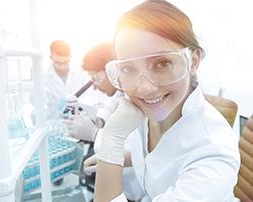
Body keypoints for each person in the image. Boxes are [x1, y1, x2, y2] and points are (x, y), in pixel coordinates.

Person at [94, 1, 240, 201]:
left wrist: (112, 140)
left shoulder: (213, 153)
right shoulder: (149, 112)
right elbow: (161, 158)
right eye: (128, 68)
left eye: (162, 63)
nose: (145, 88)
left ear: (193, 61)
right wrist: (122, 158)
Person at [64, 42, 145, 201]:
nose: (94, 86)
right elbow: (111, 106)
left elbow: (138, 148)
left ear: (112, 70)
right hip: (125, 189)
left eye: (96, 78)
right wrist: (100, 120)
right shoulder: (121, 94)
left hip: (139, 192)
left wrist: (94, 134)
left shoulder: (141, 99)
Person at [39, 40, 90, 121]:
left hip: (78, 120)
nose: (62, 67)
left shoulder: (80, 73)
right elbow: (37, 102)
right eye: (58, 63)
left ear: (70, 57)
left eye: (66, 62)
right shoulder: (43, 77)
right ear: (51, 58)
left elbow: (89, 97)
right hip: (54, 122)